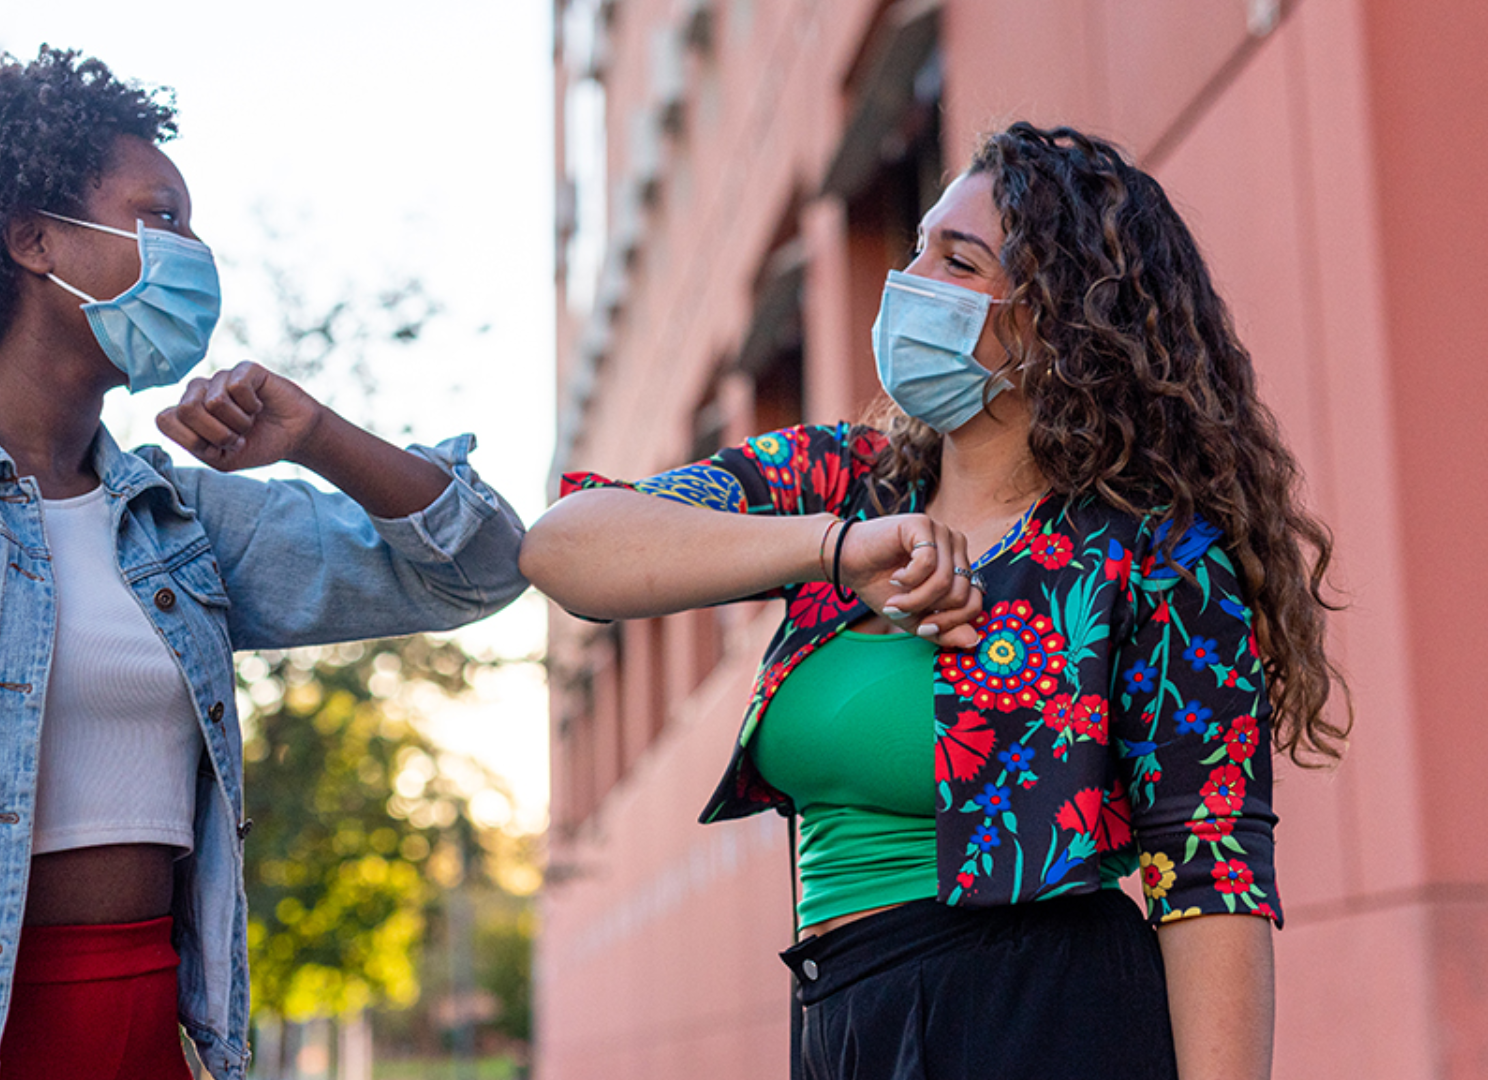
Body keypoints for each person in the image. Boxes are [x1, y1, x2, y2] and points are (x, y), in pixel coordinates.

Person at [0, 47, 527, 1080]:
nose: (195, 253)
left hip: (146, 1037)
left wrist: (317, 435)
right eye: (161, 215)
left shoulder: (178, 514)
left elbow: (480, 570)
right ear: (33, 239)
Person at [521, 122, 1346, 1080]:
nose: (908, 280)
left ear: (1062, 320)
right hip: (844, 1010)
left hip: (1041, 1016)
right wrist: (840, 549)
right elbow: (569, 546)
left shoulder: (1156, 548)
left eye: (957, 260)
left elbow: (1209, 869)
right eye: (916, 245)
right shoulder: (850, 481)